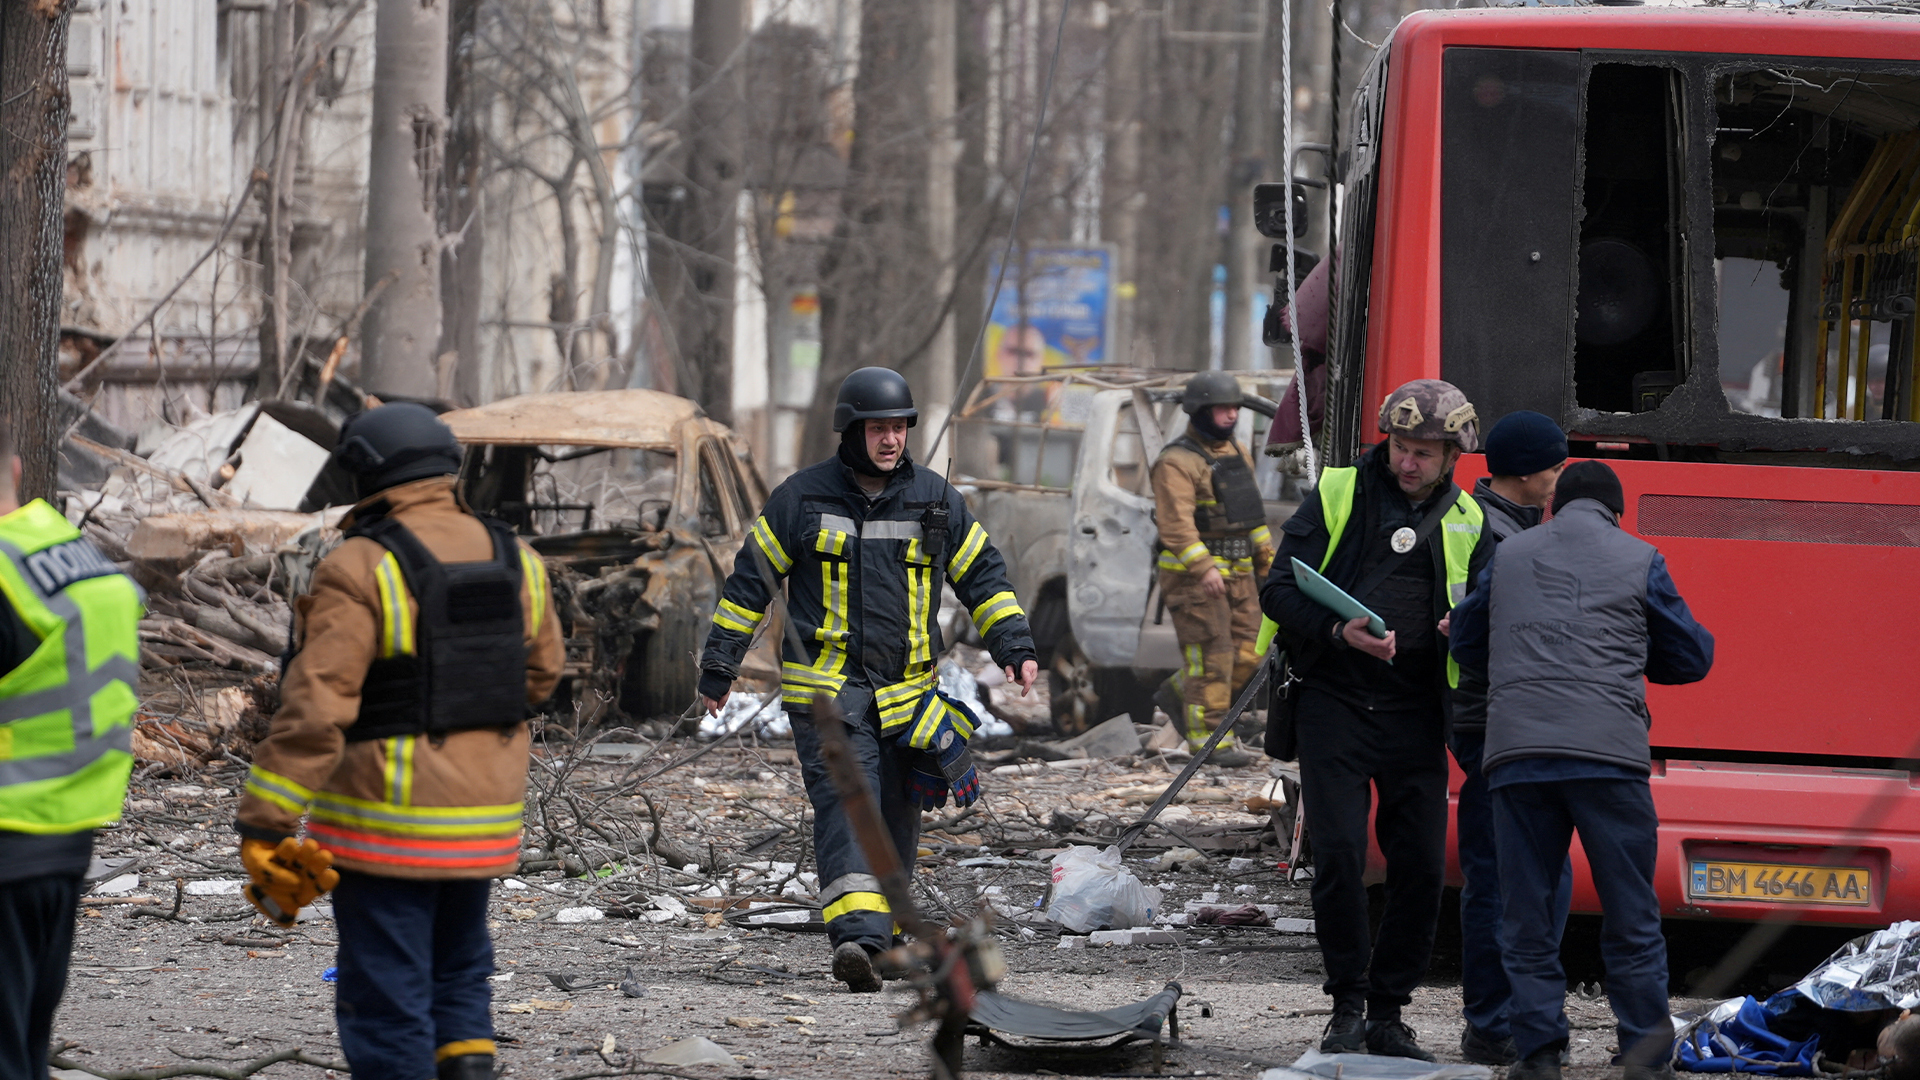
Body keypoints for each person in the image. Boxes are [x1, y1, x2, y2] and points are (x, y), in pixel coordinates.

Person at [235, 403, 564, 1080]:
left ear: (366, 475)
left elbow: (317, 707)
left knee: (385, 994)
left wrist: (266, 821)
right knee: (460, 973)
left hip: (385, 825)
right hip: (483, 825)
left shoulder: (360, 564)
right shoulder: (519, 557)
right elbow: (541, 675)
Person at [699, 367, 1039, 993]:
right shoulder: (800, 499)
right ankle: (858, 937)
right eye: (878, 428)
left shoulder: (935, 499)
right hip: (828, 695)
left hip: (910, 699)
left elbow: (983, 576)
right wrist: (720, 666)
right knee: (850, 802)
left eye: (899, 428)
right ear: (851, 432)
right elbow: (749, 584)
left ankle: (886, 940)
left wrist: (1014, 645)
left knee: (896, 816)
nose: (891, 439)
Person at [1448, 460, 1714, 1080]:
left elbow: (1465, 643)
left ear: (1554, 507)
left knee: (1526, 915)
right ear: (1615, 513)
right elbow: (1692, 656)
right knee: (1631, 913)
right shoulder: (1639, 557)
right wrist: (1628, 653)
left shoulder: (1508, 555)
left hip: (1519, 757)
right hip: (1608, 759)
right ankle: (1645, 1059)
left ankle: (1539, 1054)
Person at [1260, 379, 1492, 1061]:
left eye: (1425, 453)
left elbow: (1490, 612)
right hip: (1335, 703)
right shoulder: (1338, 492)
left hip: (1416, 712)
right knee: (1338, 858)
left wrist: (1461, 627)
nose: (1409, 462)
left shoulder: (1470, 519)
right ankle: (1347, 1006)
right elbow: (1278, 591)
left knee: (1420, 867)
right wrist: (1339, 631)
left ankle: (1389, 1014)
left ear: (1452, 457)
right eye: (1401, 447)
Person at [0, 421, 142, 1080]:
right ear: (16, 470)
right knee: (26, 1045)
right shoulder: (74, 554)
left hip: (8, 834)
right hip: (66, 840)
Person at [1449, 409, 1569, 1066]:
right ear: (1526, 472)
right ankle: (1495, 1024)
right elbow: (1476, 637)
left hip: (1503, 722)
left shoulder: (1507, 526)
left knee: (1527, 873)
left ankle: (1508, 1018)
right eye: (1555, 466)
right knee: (1505, 876)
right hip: (1497, 723)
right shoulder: (1496, 535)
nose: (1559, 477)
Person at [1149, 370, 1273, 766]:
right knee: (1212, 655)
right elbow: (1176, 525)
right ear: (1201, 410)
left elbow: (1251, 516)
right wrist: (1203, 568)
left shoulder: (1238, 452)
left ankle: (1179, 693)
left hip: (1239, 573)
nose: (1231, 415)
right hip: (1193, 580)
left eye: (1235, 408)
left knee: (1251, 652)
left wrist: (1266, 559)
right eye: (1222, 409)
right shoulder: (1175, 462)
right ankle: (1211, 742)